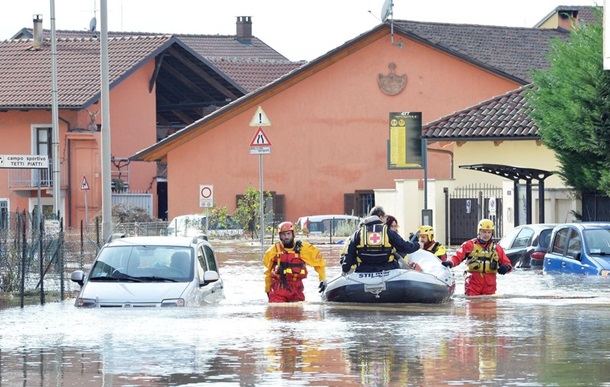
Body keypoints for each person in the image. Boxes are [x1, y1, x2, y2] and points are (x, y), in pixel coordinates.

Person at [341, 206, 422, 274]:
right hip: (388, 269)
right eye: (385, 217)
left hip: (364, 270)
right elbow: (405, 247)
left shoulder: (358, 233)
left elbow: (350, 253)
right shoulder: (388, 232)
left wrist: (345, 270)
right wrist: (418, 245)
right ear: (381, 217)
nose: (386, 219)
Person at [442, 218, 512, 296]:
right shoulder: (469, 245)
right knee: (472, 305)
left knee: (490, 306)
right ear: (479, 232)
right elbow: (457, 257)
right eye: (484, 232)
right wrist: (450, 262)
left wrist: (506, 267)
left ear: (492, 233)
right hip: (473, 284)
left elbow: (507, 263)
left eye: (489, 232)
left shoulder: (497, 248)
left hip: (490, 285)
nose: (486, 235)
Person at [263, 221, 327, 303]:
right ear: (280, 236)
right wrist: (268, 290)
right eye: (283, 234)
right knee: (277, 312)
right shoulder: (273, 250)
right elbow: (267, 272)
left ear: (293, 234)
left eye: (288, 234)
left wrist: (322, 279)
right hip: (279, 289)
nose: (286, 237)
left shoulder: (304, 248)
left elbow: (319, 263)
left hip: (297, 289)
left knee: (297, 313)